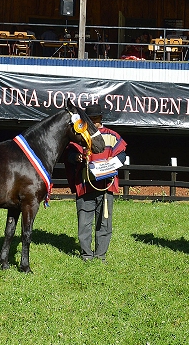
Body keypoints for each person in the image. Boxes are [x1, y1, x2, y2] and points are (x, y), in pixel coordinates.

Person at [65, 104, 127, 262]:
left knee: (104, 223)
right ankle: (86, 255)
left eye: (97, 118)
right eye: (91, 119)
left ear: (101, 118)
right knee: (84, 223)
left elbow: (122, 155)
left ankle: (100, 255)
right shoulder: (80, 136)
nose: (95, 121)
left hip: (106, 187)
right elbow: (69, 154)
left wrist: (113, 161)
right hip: (85, 185)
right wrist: (76, 158)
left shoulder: (112, 136)